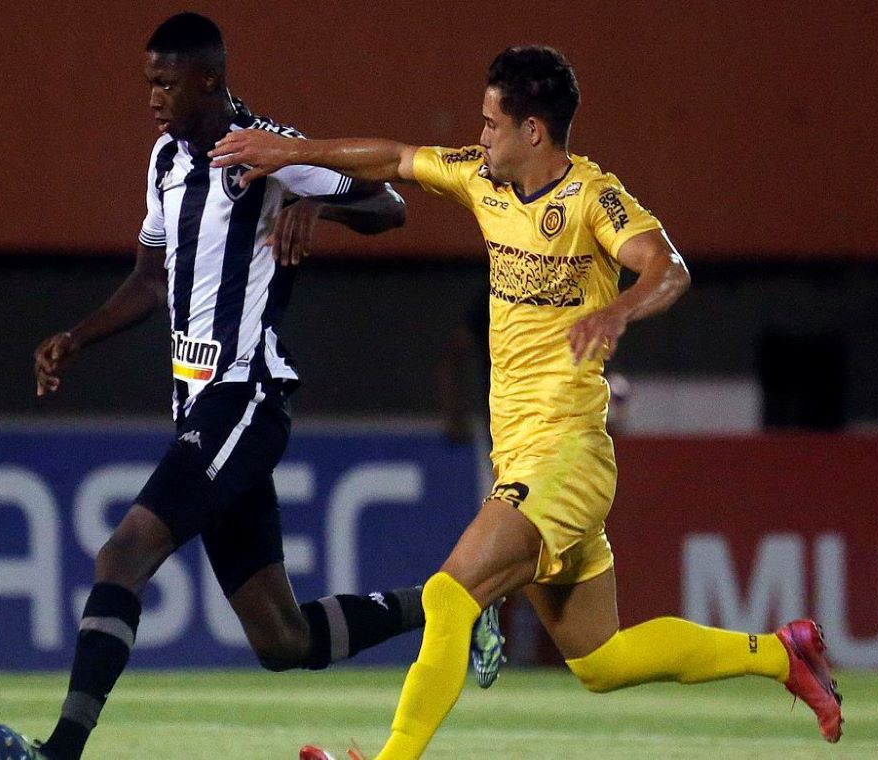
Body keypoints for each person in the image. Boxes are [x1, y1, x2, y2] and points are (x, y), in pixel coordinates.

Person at [211, 45, 844, 759]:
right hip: (524, 458)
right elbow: (394, 159)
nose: (480, 136)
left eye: (491, 123)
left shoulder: (593, 199)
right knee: (601, 660)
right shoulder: (482, 180)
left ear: (532, 131)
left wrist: (619, 310)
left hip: (566, 456)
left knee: (449, 594)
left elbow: (668, 268)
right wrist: (291, 151)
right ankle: (781, 653)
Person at [0, 13, 497, 760]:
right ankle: (452, 603)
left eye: (167, 84)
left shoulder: (268, 149)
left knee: (123, 555)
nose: (153, 98)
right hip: (200, 407)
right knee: (282, 639)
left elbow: (391, 206)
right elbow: (150, 277)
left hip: (244, 395)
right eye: (149, 82)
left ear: (210, 81)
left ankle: (61, 749)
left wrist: (314, 203)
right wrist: (77, 336)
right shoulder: (166, 159)